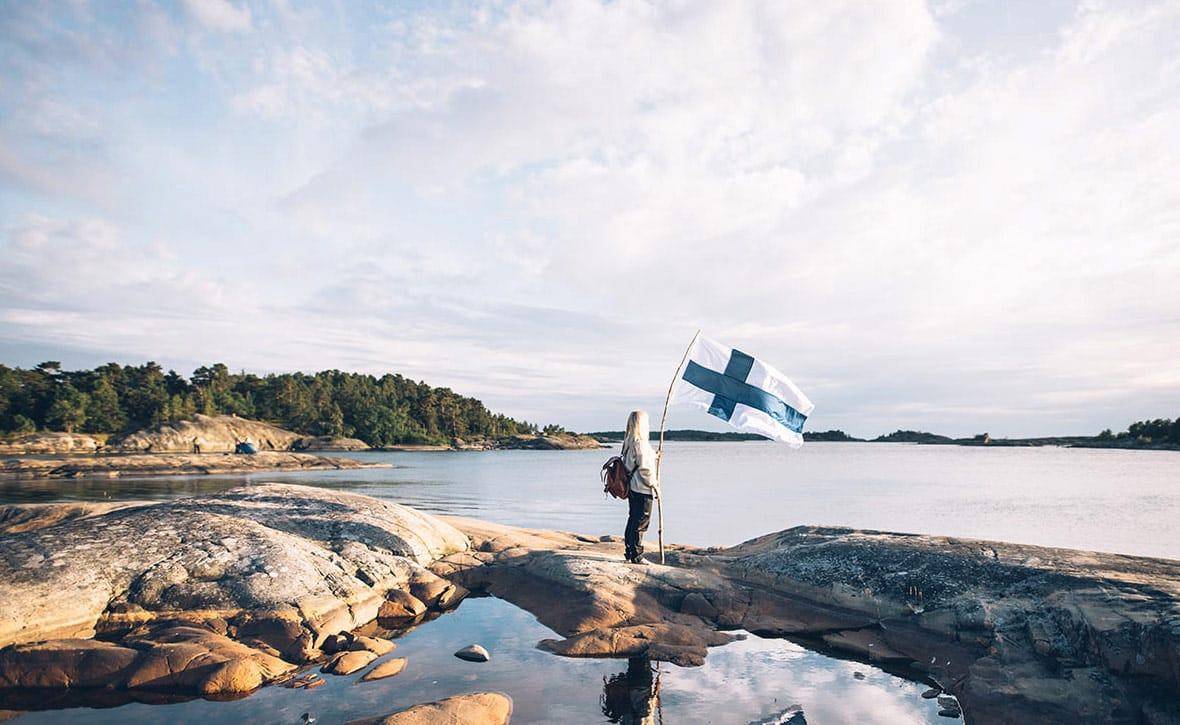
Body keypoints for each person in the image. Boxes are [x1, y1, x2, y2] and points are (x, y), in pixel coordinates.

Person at [622, 410, 660, 565]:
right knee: (641, 521)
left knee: (633, 519)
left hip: (632, 488)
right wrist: (655, 485)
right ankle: (637, 555)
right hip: (642, 488)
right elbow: (645, 469)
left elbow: (636, 461)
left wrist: (654, 455)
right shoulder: (641, 443)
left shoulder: (629, 441)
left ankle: (630, 551)